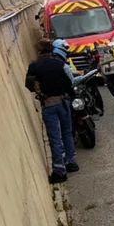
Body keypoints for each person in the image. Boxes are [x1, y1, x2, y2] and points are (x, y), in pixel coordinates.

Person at [25, 38, 79, 184]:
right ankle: (71, 162)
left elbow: (29, 84)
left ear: (39, 50)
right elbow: (70, 82)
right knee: (67, 132)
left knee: (55, 138)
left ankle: (59, 171)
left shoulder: (34, 66)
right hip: (63, 103)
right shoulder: (61, 65)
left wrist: (40, 92)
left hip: (48, 105)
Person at [57, 38, 114, 119]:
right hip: (109, 72)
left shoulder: (101, 51)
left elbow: (99, 63)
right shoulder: (100, 51)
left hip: (110, 72)